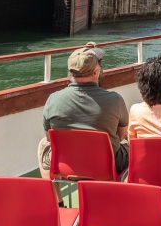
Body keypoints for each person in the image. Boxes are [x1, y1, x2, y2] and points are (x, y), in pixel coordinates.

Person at [39, 42, 129, 176]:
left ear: (70, 73)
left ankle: (55, 196)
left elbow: (49, 138)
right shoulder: (115, 100)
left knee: (42, 144)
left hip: (68, 166)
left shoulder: (53, 99)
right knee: (129, 143)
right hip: (106, 166)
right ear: (95, 72)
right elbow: (121, 135)